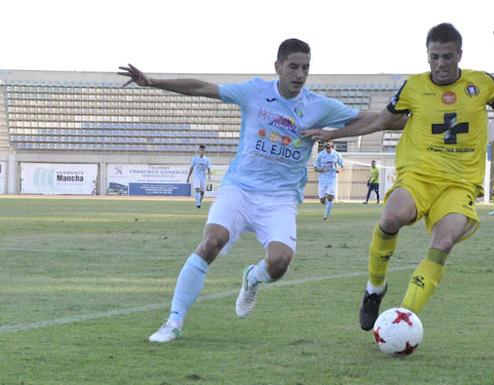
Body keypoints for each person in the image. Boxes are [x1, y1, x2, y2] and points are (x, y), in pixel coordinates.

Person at [303, 23, 494, 331]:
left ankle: (401, 319)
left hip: (459, 184)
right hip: (419, 175)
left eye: (447, 56)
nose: (441, 64)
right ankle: (374, 289)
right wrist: (334, 134)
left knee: (445, 240)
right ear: (427, 56)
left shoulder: (481, 83)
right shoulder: (413, 87)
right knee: (391, 218)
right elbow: (381, 121)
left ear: (459, 55)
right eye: (434, 57)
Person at [119, 38, 370, 343]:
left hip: (280, 198)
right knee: (212, 241)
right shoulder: (254, 92)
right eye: (293, 66)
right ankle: (173, 322)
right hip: (240, 188)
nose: (300, 74)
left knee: (278, 263)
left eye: (305, 68)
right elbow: (202, 88)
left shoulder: (319, 105)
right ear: (277, 66)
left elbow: (369, 119)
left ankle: (252, 278)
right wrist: (153, 82)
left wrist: (337, 132)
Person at [313, 140, 344, 220]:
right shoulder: (320, 155)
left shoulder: (337, 154)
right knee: (322, 200)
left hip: (332, 180)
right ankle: (328, 205)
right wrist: (321, 170)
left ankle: (326, 216)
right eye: (326, 147)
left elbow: (343, 166)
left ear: (332, 145)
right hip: (322, 180)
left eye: (329, 147)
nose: (328, 148)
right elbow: (315, 168)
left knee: (330, 197)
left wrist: (339, 170)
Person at [187, 144, 212, 208]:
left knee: (202, 192)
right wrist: (188, 177)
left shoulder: (207, 159)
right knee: (197, 189)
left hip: (203, 177)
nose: (202, 151)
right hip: (196, 176)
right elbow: (191, 167)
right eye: (201, 150)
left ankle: (199, 202)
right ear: (198, 150)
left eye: (203, 150)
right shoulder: (194, 158)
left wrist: (209, 176)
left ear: (204, 151)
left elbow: (209, 168)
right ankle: (197, 204)